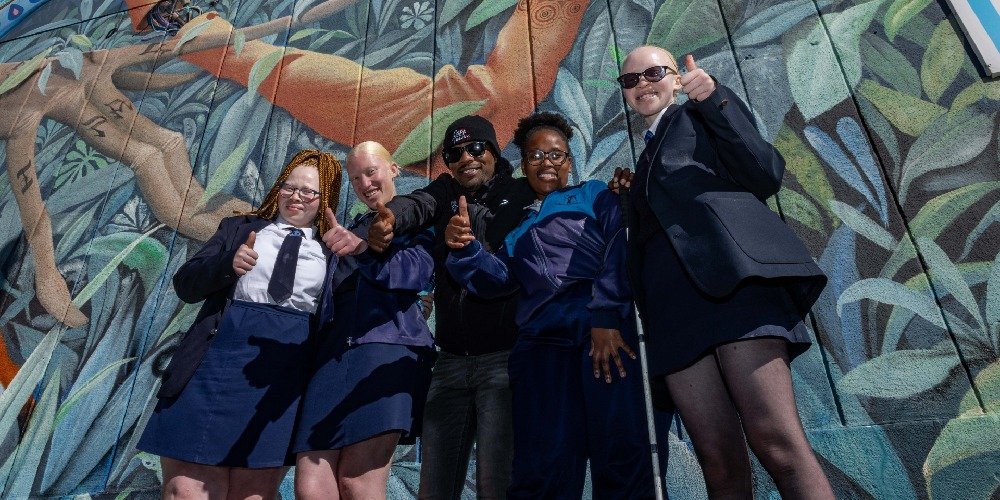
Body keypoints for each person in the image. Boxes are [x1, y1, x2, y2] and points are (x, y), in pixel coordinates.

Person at [616, 45, 834, 498]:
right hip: (674, 313)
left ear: (677, 78)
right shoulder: (645, 158)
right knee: (717, 462)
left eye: (653, 72)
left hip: (735, 292)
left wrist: (715, 98)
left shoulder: (701, 114)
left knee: (776, 442)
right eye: (630, 80)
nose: (642, 85)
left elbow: (764, 172)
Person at [444, 112, 669, 499]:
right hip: (541, 350)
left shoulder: (596, 193)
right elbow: (495, 280)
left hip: (603, 333)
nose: (546, 162)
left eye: (556, 154)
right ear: (523, 165)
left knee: (623, 452)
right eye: (535, 156)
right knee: (543, 466)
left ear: (569, 161)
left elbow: (620, 247)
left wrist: (604, 316)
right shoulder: (517, 230)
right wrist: (466, 250)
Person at [137, 149, 343, 499]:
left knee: (254, 493)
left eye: (309, 191)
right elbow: (185, 284)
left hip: (281, 380)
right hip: (216, 364)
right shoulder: (239, 229)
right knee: (186, 490)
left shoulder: (334, 251)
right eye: (288, 187)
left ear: (327, 200)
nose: (296, 197)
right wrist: (227, 265)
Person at [367, 115, 536, 499]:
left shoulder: (521, 193)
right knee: (435, 490)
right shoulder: (444, 190)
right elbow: (417, 203)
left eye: (476, 148)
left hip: (503, 361)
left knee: (496, 486)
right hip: (449, 364)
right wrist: (391, 216)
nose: (466, 159)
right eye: (454, 153)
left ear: (493, 151)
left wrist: (470, 234)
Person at [292, 141, 436, 499]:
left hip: (386, 352)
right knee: (310, 479)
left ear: (394, 169)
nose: (365, 183)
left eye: (371, 171)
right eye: (356, 178)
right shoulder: (349, 227)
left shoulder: (419, 220)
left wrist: (361, 249)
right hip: (331, 357)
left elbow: (416, 274)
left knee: (358, 481)